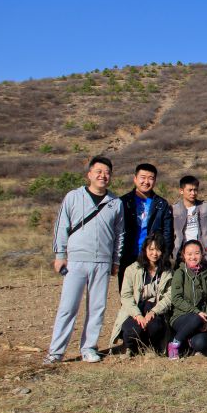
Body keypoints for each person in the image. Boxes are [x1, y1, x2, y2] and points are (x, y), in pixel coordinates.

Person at [44, 156, 124, 364]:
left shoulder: (115, 203)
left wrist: (116, 260)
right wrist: (60, 255)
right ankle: (56, 352)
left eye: (107, 173)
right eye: (99, 171)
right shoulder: (73, 197)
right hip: (76, 260)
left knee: (97, 307)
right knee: (68, 307)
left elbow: (119, 234)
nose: (103, 176)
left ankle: (89, 347)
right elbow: (62, 225)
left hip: (103, 261)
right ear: (89, 174)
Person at [109, 233, 174, 357]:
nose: (154, 253)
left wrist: (154, 311)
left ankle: (151, 347)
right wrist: (137, 315)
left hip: (156, 309)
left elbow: (169, 296)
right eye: (151, 249)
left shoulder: (167, 272)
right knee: (131, 329)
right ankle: (130, 347)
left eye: (158, 250)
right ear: (145, 250)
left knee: (154, 326)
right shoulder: (132, 269)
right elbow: (126, 296)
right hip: (135, 308)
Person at [119, 163, 173, 291]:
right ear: (135, 179)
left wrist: (164, 255)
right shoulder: (123, 202)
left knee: (151, 294)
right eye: (143, 177)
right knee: (127, 293)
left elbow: (168, 233)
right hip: (128, 255)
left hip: (152, 257)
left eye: (151, 178)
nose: (146, 182)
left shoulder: (161, 204)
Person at [167, 240, 207, 359]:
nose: (193, 257)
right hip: (181, 316)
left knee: (201, 344)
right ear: (184, 255)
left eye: (197, 253)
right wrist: (196, 312)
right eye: (189, 254)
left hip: (202, 317)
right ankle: (174, 344)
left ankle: (189, 342)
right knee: (195, 318)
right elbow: (176, 298)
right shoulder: (180, 273)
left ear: (202, 254)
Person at [172, 175, 207, 265]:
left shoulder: (206, 207)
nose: (193, 193)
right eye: (190, 190)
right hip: (181, 253)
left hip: (203, 253)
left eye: (195, 190)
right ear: (181, 191)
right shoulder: (174, 209)